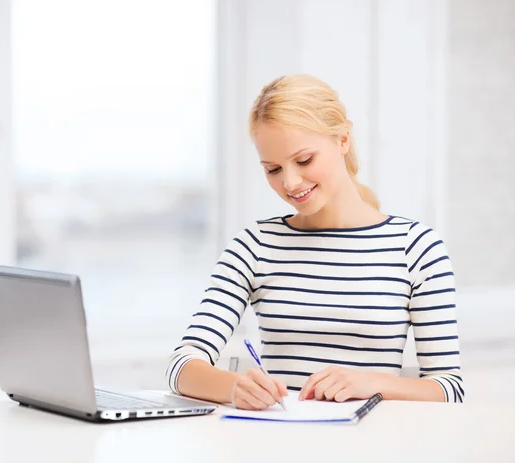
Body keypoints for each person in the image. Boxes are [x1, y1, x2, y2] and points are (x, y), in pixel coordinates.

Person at [166, 74, 463, 409]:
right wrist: (235, 388)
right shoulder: (255, 246)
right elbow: (181, 367)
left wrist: (370, 382)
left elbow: (449, 388)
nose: (290, 183)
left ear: (342, 140)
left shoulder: (416, 247)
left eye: (304, 160)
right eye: (273, 169)